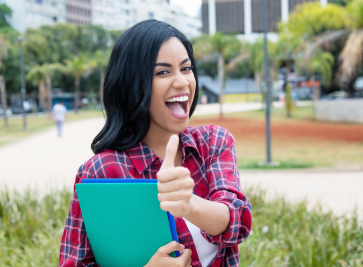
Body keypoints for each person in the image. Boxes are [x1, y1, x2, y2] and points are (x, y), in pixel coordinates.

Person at [59, 20, 252, 267]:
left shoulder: (213, 143)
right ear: (132, 84)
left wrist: (188, 203)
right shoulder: (101, 172)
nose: (182, 82)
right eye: (163, 72)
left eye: (186, 68)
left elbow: (239, 222)